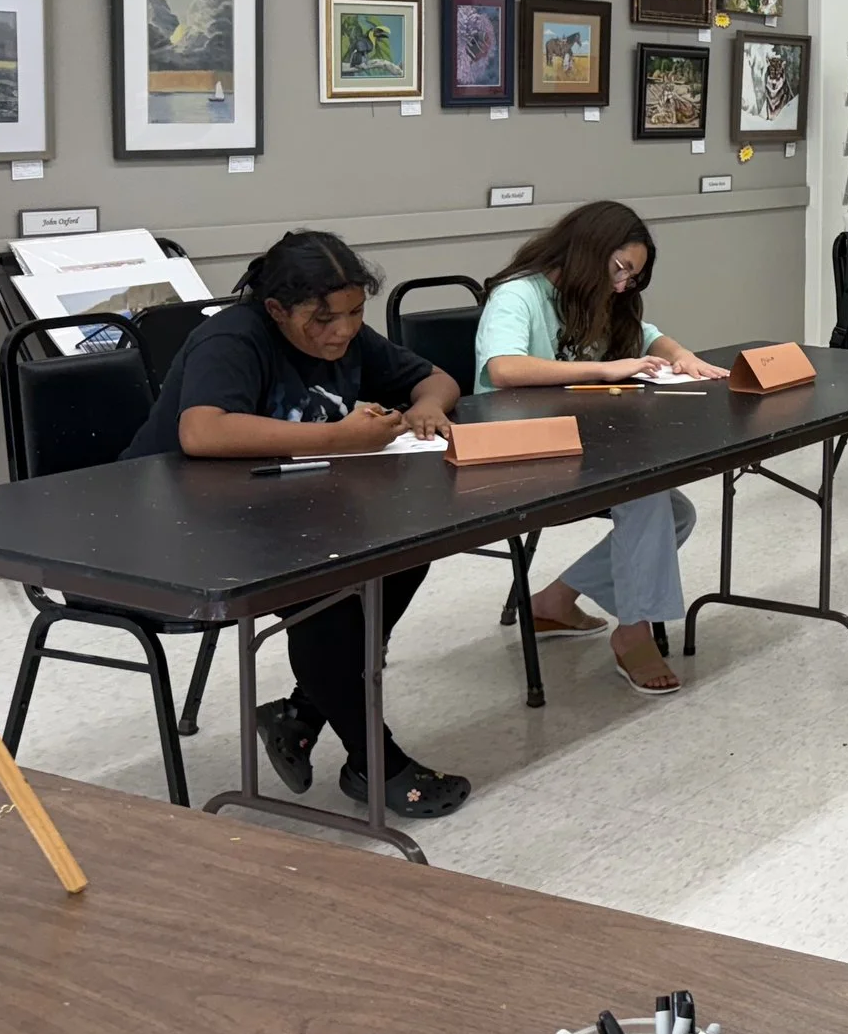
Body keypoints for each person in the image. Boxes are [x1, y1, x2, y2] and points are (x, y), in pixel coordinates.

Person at [121, 231, 472, 820]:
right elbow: (202, 432)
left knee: (408, 549)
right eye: (323, 318)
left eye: (356, 313)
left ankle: (304, 711)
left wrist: (427, 407)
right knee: (332, 594)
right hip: (174, 524)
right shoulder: (233, 337)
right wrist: (341, 438)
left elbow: (436, 379)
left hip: (280, 511)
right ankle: (372, 762)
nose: (341, 330)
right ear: (277, 310)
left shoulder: (349, 336)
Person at [475, 202, 727, 697]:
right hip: (517, 448)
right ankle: (633, 634)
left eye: (632, 277)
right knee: (646, 492)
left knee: (675, 512)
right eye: (620, 269)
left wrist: (681, 356)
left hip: (576, 442)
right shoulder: (519, 294)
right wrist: (604, 369)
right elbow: (504, 368)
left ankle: (553, 601)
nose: (622, 285)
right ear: (588, 251)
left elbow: (649, 337)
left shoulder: (593, 298)